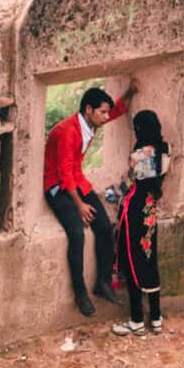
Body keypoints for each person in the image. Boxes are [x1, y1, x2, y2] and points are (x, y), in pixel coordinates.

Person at [43, 82, 132, 317]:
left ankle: (102, 283)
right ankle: (81, 293)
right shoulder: (67, 131)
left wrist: (129, 93)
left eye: (106, 112)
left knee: (103, 225)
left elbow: (112, 113)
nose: (105, 117)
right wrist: (80, 204)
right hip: (57, 186)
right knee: (77, 233)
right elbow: (62, 172)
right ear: (88, 110)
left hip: (76, 180)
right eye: (101, 112)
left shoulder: (89, 123)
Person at [110, 106, 167, 338]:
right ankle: (156, 317)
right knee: (149, 260)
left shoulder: (139, 154)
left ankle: (135, 320)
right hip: (150, 211)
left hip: (134, 211)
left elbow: (133, 180)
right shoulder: (165, 151)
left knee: (131, 261)